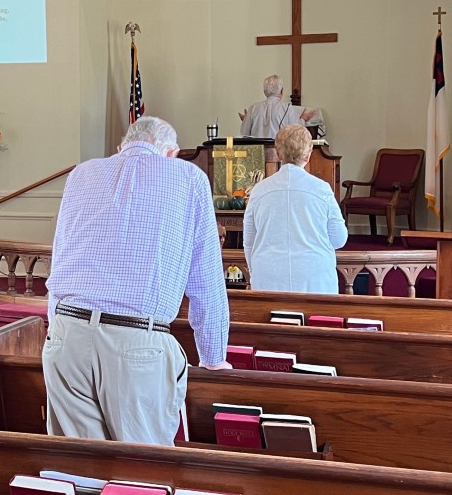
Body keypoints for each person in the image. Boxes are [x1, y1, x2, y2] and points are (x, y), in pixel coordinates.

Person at [43, 116, 232, 446]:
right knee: (141, 467)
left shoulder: (81, 174)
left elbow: (59, 257)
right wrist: (213, 357)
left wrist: (55, 330)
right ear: (171, 153)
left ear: (121, 148)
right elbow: (206, 280)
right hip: (136, 345)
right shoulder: (189, 178)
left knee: (76, 465)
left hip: (67, 336)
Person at [243, 124, 348, 294]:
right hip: (314, 278)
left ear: (278, 154)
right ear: (308, 155)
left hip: (268, 277)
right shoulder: (322, 189)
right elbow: (339, 239)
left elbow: (249, 241)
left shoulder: (259, 190)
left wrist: (255, 271)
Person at [239, 74, 318, 139]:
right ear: (281, 91)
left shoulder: (253, 108)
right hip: (278, 151)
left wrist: (246, 120)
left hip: (257, 152)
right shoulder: (287, 108)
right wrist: (303, 119)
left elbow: (244, 133)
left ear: (264, 92)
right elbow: (295, 132)